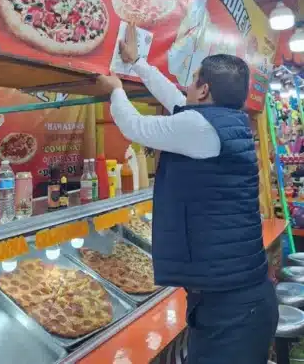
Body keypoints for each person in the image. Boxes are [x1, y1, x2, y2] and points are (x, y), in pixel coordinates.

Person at [96, 24, 277, 364]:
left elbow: (137, 128)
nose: (187, 86)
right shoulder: (227, 121)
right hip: (240, 298)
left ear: (205, 89)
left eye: (193, 79)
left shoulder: (201, 127)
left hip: (233, 311)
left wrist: (116, 90)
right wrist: (138, 64)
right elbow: (177, 101)